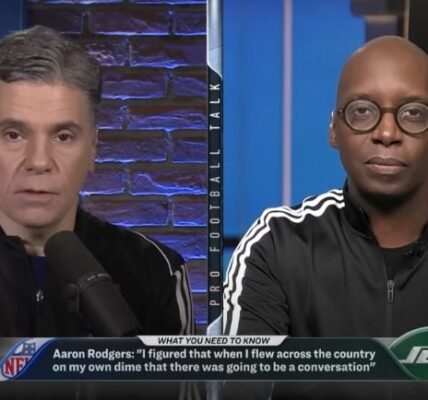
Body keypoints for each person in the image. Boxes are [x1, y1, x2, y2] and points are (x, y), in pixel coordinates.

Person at [223, 36, 428, 399]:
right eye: (362, 111)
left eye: (413, 113)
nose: (387, 133)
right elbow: (240, 388)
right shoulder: (278, 244)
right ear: (334, 129)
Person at [0, 25, 193, 337]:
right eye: (13, 135)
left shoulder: (154, 269)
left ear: (93, 148)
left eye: (63, 136)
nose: (39, 161)